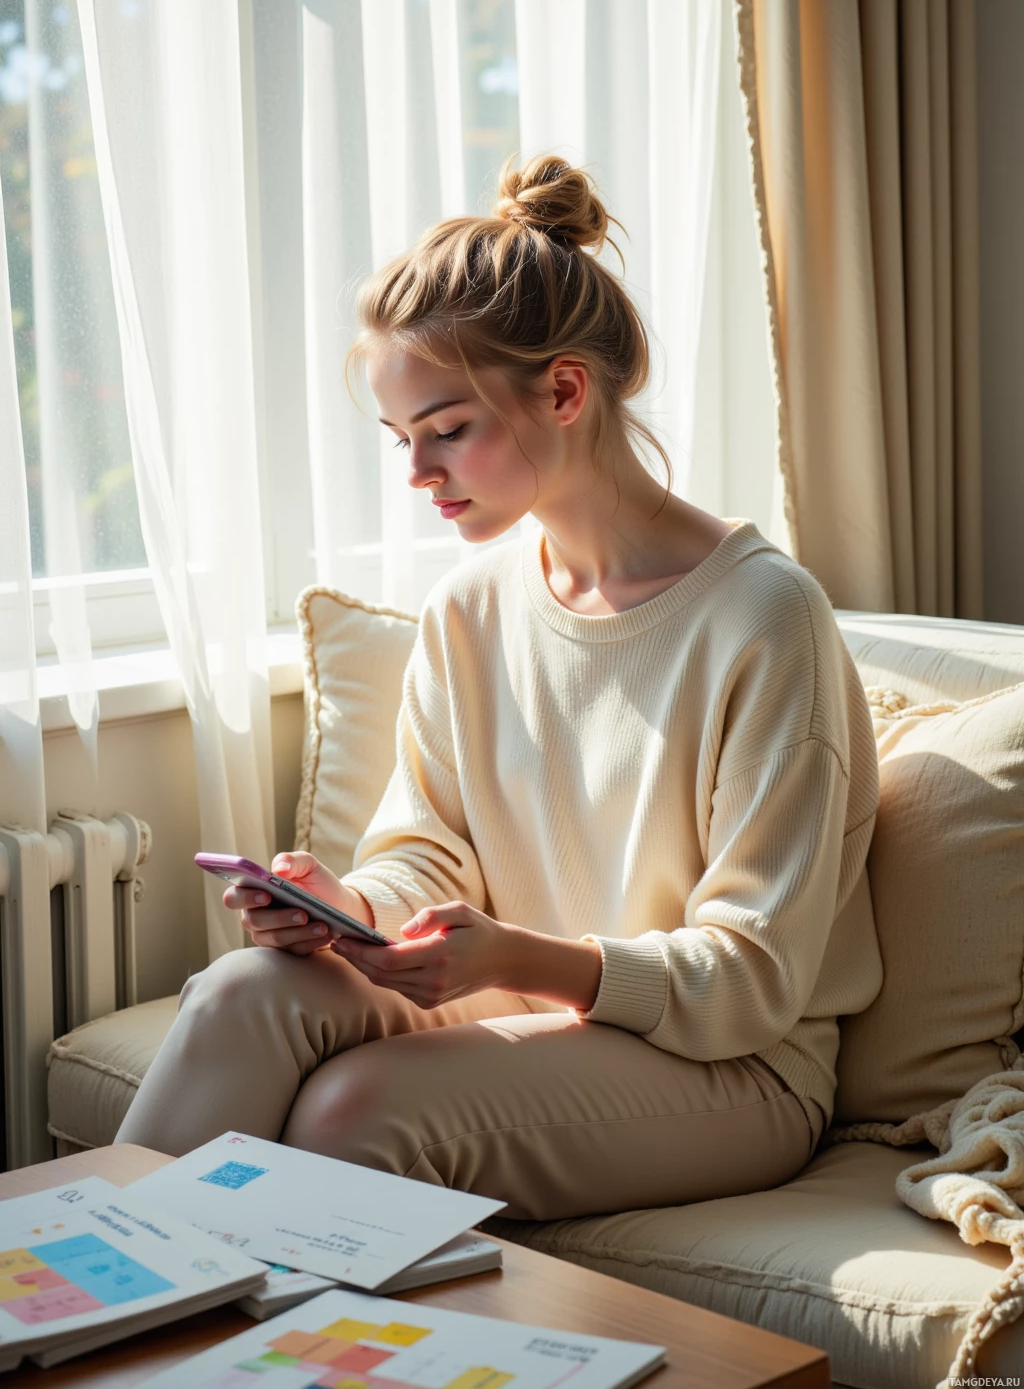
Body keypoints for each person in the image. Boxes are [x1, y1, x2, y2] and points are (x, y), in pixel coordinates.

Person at [117, 155, 883, 1222]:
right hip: (521, 1006)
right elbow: (427, 847)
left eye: (446, 430)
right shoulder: (471, 608)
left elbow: (750, 980)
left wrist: (523, 957)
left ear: (564, 390)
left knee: (354, 1112)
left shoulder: (763, 618)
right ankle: (81, 1313)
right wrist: (348, 907)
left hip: (733, 1069)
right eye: (402, 441)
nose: (420, 474)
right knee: (243, 993)